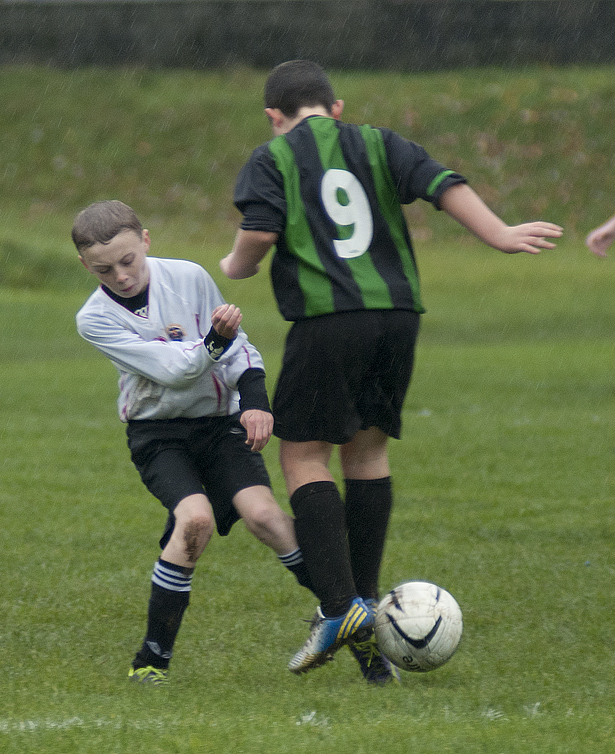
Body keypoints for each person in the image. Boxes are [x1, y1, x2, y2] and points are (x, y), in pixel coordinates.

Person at [220, 60, 563, 683]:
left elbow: (261, 233)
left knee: (302, 458)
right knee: (368, 456)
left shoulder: (272, 157)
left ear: (275, 116)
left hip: (328, 319)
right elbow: (442, 183)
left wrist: (234, 263)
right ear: (337, 106)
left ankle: (338, 608)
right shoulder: (379, 142)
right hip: (399, 316)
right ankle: (368, 630)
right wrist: (500, 232)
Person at [73, 200, 315, 686]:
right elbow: (176, 372)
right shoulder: (94, 318)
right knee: (195, 523)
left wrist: (255, 401)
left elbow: (239, 346)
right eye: (104, 269)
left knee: (266, 515)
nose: (120, 275)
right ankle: (151, 660)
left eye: (128, 261)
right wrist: (212, 344)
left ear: (146, 241)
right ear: (85, 266)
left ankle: (346, 611)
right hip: (158, 436)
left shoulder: (188, 277)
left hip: (219, 425)